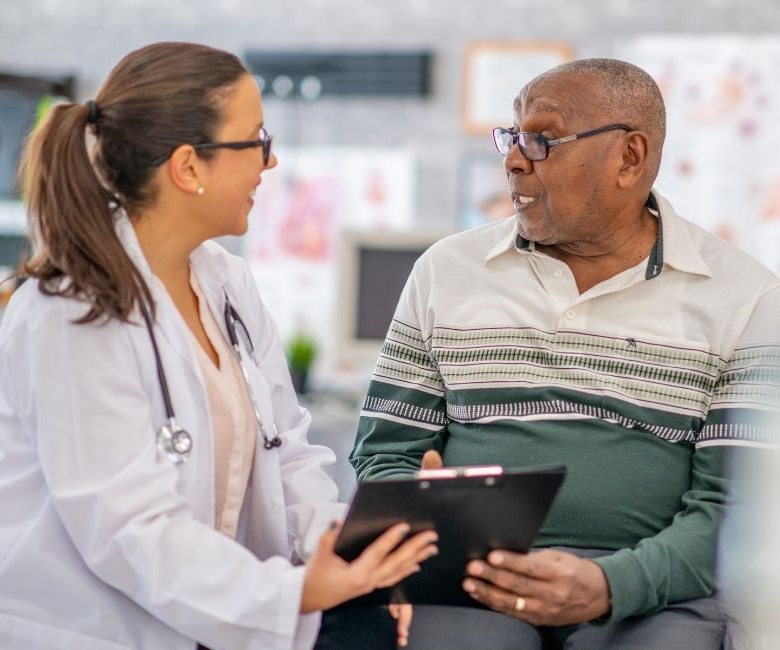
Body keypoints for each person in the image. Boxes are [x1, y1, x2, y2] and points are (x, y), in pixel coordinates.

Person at [324, 58, 780, 649]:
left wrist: (610, 584)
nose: (513, 159)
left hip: (651, 590)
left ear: (630, 157)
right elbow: (385, 453)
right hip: (474, 577)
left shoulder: (746, 296)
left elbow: (734, 508)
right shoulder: (447, 271)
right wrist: (431, 523)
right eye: (510, 138)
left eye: (541, 139)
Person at [0, 42, 438, 650]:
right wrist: (298, 594)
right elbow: (130, 532)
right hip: (92, 631)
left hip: (209, 620)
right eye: (256, 140)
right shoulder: (71, 313)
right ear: (188, 167)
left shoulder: (225, 282)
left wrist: (352, 545)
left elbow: (288, 454)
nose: (272, 159)